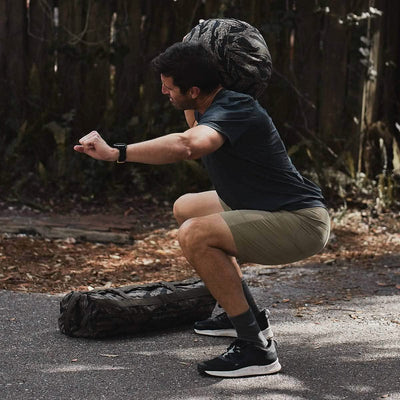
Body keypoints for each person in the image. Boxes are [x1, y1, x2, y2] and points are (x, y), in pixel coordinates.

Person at [74, 42, 330, 378]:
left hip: (301, 222)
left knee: (194, 235)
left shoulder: (236, 108)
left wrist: (115, 153)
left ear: (194, 90)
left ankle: (257, 348)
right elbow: (193, 122)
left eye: (169, 86)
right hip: (264, 204)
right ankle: (247, 314)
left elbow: (187, 145)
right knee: (187, 208)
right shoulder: (210, 105)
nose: (163, 90)